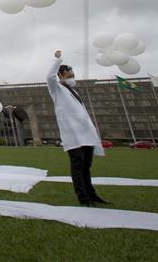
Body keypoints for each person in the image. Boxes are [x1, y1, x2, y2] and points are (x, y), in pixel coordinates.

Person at [46, 50, 107, 206]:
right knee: (78, 165)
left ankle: (92, 194)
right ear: (60, 75)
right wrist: (57, 60)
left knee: (87, 165)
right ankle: (83, 197)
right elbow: (49, 77)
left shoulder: (73, 91)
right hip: (73, 134)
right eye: (68, 74)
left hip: (86, 133)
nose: (71, 76)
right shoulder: (56, 89)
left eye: (72, 74)